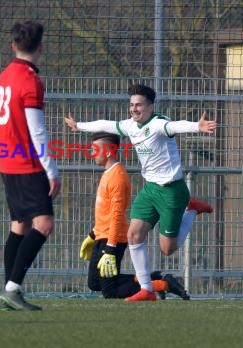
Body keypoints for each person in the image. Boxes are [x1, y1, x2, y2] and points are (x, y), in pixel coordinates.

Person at [65, 84, 216, 301]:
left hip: (172, 191)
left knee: (167, 249)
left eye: (139, 105)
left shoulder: (157, 124)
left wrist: (196, 126)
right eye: (132, 105)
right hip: (150, 190)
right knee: (134, 234)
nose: (134, 109)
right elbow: (105, 124)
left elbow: (174, 126)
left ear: (151, 106)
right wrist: (79, 125)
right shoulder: (130, 125)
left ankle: (191, 209)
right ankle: (146, 289)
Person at [0, 21, 61, 311]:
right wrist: (52, 169)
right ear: (41, 48)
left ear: (14, 46)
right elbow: (37, 130)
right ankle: (12, 288)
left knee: (20, 226)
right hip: (27, 162)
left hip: (6, 159)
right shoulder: (30, 81)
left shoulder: (3, 77)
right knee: (43, 224)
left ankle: (10, 289)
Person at [80, 132, 189, 300]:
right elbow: (105, 213)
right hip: (102, 236)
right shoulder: (107, 173)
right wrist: (92, 235)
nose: (92, 153)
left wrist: (110, 247)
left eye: (95, 149)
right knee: (94, 283)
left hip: (112, 238)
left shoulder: (117, 177)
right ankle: (152, 278)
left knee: (110, 292)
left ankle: (162, 284)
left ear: (108, 151)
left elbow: (117, 215)